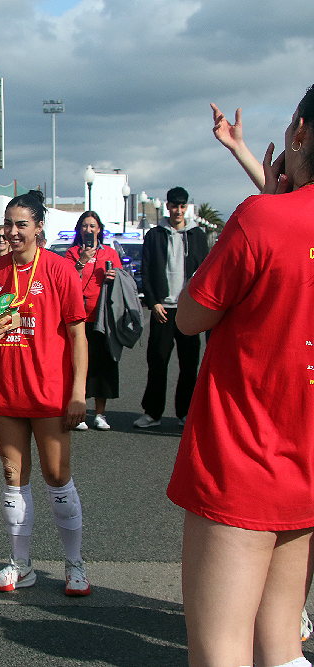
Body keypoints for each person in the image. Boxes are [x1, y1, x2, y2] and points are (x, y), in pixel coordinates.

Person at [171, 85, 314, 667]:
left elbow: (189, 314)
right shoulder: (274, 217)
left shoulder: (262, 218)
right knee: (280, 642)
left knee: (221, 646)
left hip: (243, 459)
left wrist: (268, 196)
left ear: (299, 130)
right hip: (307, 460)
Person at [0, 190, 91, 596]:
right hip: (7, 392)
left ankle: (74, 564)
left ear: (39, 228)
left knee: (56, 476)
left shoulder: (59, 270)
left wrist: (78, 393)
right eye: (9, 224)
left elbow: (78, 335)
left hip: (50, 394)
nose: (13, 232)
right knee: (12, 478)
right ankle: (21, 564)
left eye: (22, 224)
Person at [133, 186, 209, 428]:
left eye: (182, 206)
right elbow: (146, 270)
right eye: (174, 206)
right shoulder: (155, 235)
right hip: (162, 309)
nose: (178, 210)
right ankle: (152, 413)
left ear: (187, 208)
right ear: (168, 207)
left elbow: (206, 271)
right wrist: (153, 301)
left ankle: (185, 413)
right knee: (157, 361)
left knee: (189, 364)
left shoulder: (197, 235)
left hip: (188, 310)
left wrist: (200, 304)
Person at [63, 211, 121, 431]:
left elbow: (122, 280)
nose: (89, 230)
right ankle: (80, 412)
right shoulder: (72, 253)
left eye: (93, 226)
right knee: (77, 364)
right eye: (85, 226)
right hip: (78, 317)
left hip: (102, 317)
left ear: (99, 229)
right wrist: (82, 261)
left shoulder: (110, 253)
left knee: (102, 364)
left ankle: (100, 414)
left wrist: (113, 277)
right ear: (79, 229)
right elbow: (66, 279)